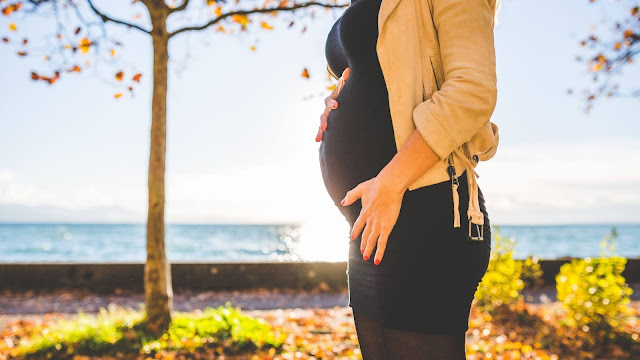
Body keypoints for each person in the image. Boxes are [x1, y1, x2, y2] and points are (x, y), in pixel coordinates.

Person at [316, 0, 501, 358]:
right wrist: (336, 99)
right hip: (371, 223)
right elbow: (377, 77)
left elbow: (472, 91)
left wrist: (390, 182)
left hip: (425, 211)